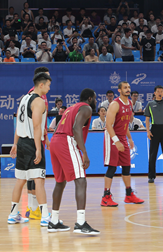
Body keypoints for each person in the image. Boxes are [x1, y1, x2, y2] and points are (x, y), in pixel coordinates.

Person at [48, 88, 99, 235]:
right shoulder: (86, 108)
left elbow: (58, 126)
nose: (95, 101)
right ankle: (81, 223)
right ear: (89, 98)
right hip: (66, 140)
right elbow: (76, 128)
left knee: (60, 181)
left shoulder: (70, 108)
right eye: (94, 98)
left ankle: (54, 221)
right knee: (81, 179)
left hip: (55, 140)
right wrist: (84, 152)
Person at [8, 72, 52, 226]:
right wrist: (38, 148)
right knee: (39, 180)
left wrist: (15, 143)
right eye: (48, 85)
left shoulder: (24, 99)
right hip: (32, 143)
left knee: (20, 180)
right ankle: (45, 216)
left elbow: (18, 125)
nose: (49, 88)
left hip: (21, 143)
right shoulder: (39, 101)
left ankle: (13, 214)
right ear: (41, 84)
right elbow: (36, 126)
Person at [101, 81, 144, 207]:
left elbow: (125, 124)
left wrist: (129, 139)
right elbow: (108, 125)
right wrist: (116, 141)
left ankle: (129, 194)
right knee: (112, 167)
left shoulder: (130, 103)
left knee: (126, 166)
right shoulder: (115, 104)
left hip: (122, 137)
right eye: (125, 87)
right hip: (111, 136)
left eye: (129, 87)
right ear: (119, 90)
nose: (128, 89)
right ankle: (106, 196)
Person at [145, 68, 163, 183]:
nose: (160, 92)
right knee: (153, 154)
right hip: (155, 129)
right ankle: (151, 176)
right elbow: (147, 118)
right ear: (154, 93)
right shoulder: (150, 104)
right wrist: (148, 131)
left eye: (162, 91)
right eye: (158, 91)